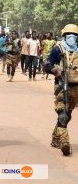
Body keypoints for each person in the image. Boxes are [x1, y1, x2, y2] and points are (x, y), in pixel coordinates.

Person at [45, 24, 78, 156]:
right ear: (64, 36)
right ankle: (64, 142)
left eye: (75, 35)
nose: (72, 37)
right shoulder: (58, 49)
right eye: (69, 35)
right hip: (61, 84)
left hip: (75, 87)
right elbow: (47, 64)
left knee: (67, 115)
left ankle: (55, 138)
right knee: (62, 114)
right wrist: (54, 70)